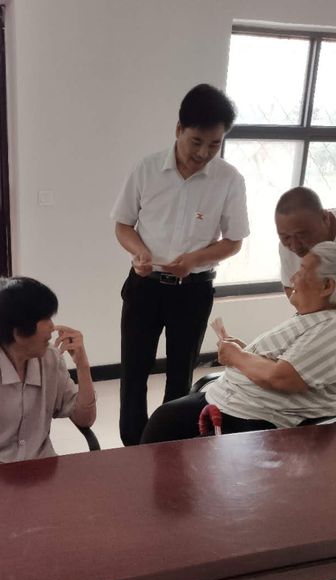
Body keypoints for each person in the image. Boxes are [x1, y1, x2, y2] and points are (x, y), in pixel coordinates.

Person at [111, 83, 249, 447]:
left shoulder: (229, 180)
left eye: (214, 144)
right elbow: (123, 225)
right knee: (134, 371)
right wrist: (139, 252)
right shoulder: (147, 169)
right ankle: (132, 446)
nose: (204, 153)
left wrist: (194, 260)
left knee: (180, 375)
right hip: (144, 286)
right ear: (179, 130)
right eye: (196, 141)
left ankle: (170, 446)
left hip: (193, 291)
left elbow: (234, 241)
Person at [141, 242, 336, 443]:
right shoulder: (319, 317)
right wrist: (245, 351)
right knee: (164, 421)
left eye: (303, 271)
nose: (293, 277)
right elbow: (288, 360)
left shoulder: (335, 329)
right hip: (233, 401)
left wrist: (237, 356)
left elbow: (281, 377)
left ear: (327, 286)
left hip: (259, 417)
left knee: (177, 440)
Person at [0, 276, 96, 470]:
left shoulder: (50, 357)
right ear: (18, 331)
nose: (52, 327)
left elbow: (85, 419)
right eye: (45, 319)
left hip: (41, 470)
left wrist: (82, 365)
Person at [276, 186, 336, 419]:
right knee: (323, 404)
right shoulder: (289, 246)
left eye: (302, 235)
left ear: (325, 218)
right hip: (329, 325)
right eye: (285, 237)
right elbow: (291, 289)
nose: (295, 246)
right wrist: (326, 322)